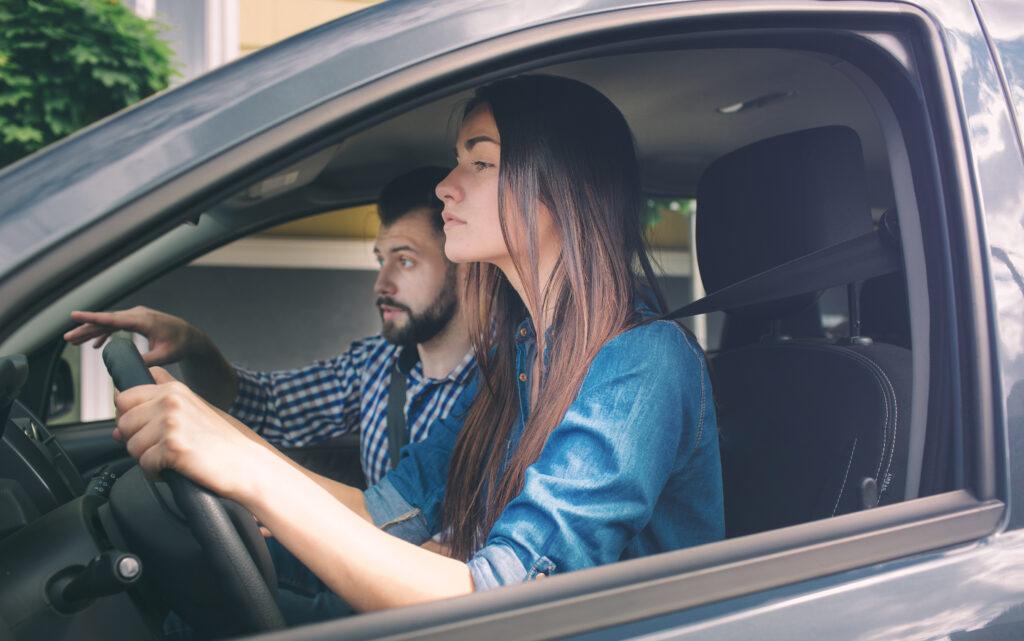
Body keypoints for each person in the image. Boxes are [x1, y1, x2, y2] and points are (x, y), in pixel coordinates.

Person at [110, 74, 724, 619]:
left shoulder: (643, 362)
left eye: (479, 163)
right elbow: (384, 511)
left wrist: (249, 471)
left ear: (561, 187)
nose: (445, 188)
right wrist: (209, 429)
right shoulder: (519, 359)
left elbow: (505, 609)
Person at [64, 167, 476, 486]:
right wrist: (194, 345)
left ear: (465, 268)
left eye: (404, 261)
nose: (381, 284)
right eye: (379, 260)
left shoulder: (503, 387)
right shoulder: (377, 364)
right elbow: (266, 407)